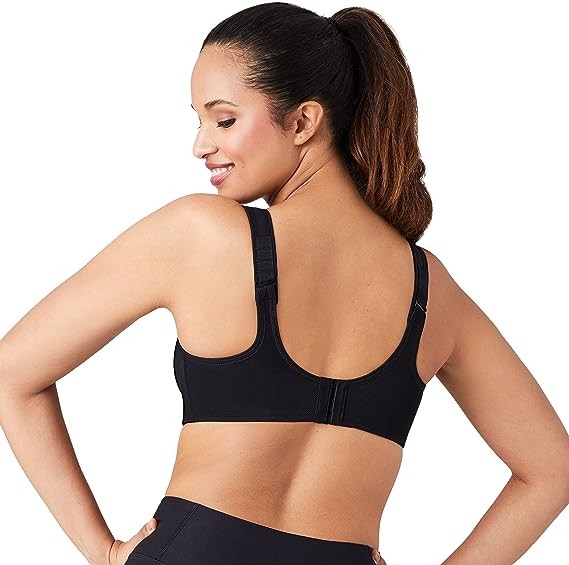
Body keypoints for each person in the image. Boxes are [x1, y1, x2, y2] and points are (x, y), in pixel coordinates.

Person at [0, 2, 568, 564]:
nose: (200, 145)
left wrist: (103, 553)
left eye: (224, 120)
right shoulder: (430, 289)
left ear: (302, 122)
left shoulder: (200, 234)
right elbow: (552, 470)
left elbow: (12, 373)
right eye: (199, 121)